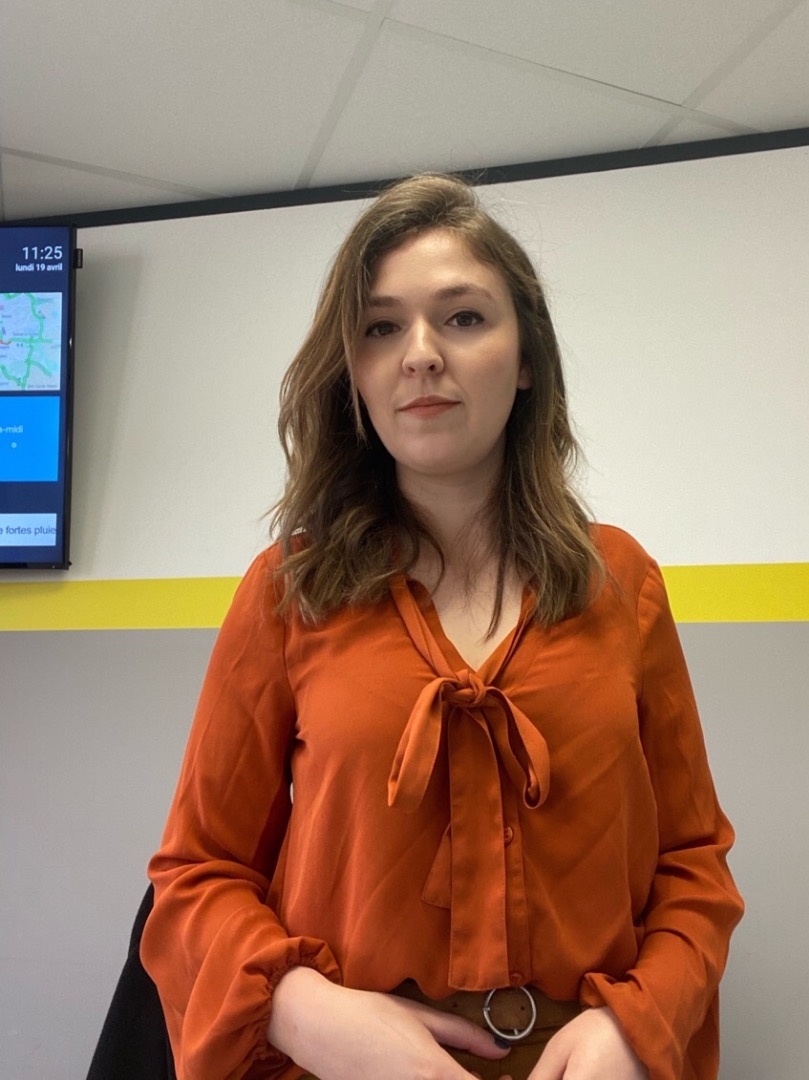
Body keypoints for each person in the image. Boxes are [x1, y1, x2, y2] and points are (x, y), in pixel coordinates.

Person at [141, 174, 744, 1080]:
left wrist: (639, 1025)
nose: (420, 354)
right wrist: (301, 1011)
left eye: (462, 318)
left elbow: (693, 865)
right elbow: (196, 874)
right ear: (353, 373)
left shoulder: (622, 582)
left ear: (526, 356)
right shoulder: (285, 593)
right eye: (381, 328)